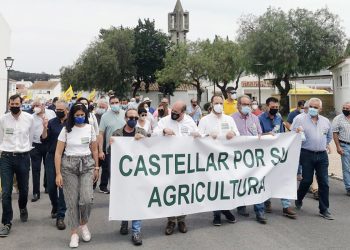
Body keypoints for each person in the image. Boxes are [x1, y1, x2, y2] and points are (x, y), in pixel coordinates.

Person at [55, 103, 99, 248]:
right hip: (69, 166)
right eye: (77, 115)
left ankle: (83, 223)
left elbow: (94, 150)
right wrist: (58, 173)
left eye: (82, 115)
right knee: (72, 201)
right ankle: (74, 233)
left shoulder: (90, 128)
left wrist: (97, 167)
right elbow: (58, 153)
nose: (80, 117)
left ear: (85, 115)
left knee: (86, 199)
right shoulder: (66, 130)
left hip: (87, 164)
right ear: (72, 116)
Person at [153, 100, 199, 235]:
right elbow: (154, 133)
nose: (173, 113)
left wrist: (197, 135)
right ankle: (171, 220)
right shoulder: (165, 121)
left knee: (183, 192)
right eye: (172, 111)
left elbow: (198, 136)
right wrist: (163, 131)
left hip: (185, 164)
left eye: (176, 112)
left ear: (183, 112)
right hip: (169, 163)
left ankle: (182, 219)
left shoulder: (189, 121)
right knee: (170, 192)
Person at [198, 94, 240, 226]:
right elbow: (198, 137)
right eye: (216, 103)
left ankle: (226, 209)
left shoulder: (229, 119)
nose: (219, 105)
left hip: (226, 159)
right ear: (211, 104)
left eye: (221, 103)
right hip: (211, 159)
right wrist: (208, 135)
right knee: (215, 186)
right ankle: (217, 214)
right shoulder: (204, 120)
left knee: (226, 185)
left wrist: (233, 133)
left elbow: (237, 134)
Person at [292, 98, 333, 220]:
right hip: (306, 153)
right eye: (311, 106)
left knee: (324, 182)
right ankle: (299, 198)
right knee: (307, 180)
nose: (313, 109)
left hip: (322, 155)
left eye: (316, 107)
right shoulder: (300, 119)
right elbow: (292, 134)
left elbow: (329, 137)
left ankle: (324, 209)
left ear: (320, 109)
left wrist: (321, 144)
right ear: (307, 107)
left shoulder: (326, 121)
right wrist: (297, 131)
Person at [112, 108, 147, 246]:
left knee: (137, 200)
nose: (133, 120)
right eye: (130, 118)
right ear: (125, 118)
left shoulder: (142, 132)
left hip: (138, 173)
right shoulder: (117, 133)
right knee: (123, 198)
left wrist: (143, 141)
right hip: (122, 175)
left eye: (135, 118)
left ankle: (136, 231)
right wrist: (111, 145)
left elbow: (152, 150)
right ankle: (124, 221)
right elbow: (111, 153)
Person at [0, 94, 34, 237]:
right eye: (11, 104)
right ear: (9, 104)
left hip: (23, 157)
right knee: (6, 192)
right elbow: (1, 138)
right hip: (6, 157)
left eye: (16, 104)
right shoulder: (3, 119)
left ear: (21, 103)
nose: (14, 106)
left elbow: (31, 138)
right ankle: (6, 222)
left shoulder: (29, 118)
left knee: (24, 188)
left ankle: (22, 206)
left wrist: (24, 150)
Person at [258, 97, 297, 219]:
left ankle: (286, 206)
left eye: (276, 107)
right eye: (272, 107)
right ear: (266, 106)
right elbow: (257, 136)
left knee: (282, 178)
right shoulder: (259, 119)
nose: (275, 109)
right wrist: (266, 135)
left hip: (277, 153)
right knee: (266, 178)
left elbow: (282, 134)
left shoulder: (279, 118)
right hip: (264, 154)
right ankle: (266, 201)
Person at [232, 95, 266, 224]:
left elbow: (259, 133)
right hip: (238, 157)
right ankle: (241, 205)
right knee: (241, 181)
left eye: (249, 104)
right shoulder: (232, 119)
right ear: (238, 105)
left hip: (253, 156)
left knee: (257, 182)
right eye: (244, 104)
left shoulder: (255, 118)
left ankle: (260, 210)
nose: (247, 107)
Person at [41, 100, 68, 230]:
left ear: (67, 110)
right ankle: (55, 205)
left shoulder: (71, 124)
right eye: (57, 109)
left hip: (66, 158)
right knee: (51, 186)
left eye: (61, 109)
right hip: (51, 157)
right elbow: (44, 138)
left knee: (62, 188)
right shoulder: (52, 122)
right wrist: (45, 127)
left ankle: (60, 216)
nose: (58, 111)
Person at [98, 96, 126, 194]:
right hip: (110, 149)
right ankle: (114, 193)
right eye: (112, 103)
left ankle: (123, 191)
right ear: (110, 104)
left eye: (116, 102)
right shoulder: (105, 116)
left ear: (120, 102)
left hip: (125, 149)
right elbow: (100, 134)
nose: (115, 104)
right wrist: (101, 150)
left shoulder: (125, 114)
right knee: (111, 171)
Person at [30, 100, 52, 202]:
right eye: (33, 106)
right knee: (35, 169)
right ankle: (35, 192)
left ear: (43, 105)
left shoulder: (51, 114)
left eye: (37, 105)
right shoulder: (31, 117)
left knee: (48, 166)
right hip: (35, 145)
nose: (35, 107)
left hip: (47, 144)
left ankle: (47, 185)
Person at [332, 101, 350, 196]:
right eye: (344, 108)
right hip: (345, 145)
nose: (345, 110)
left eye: (347, 109)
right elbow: (335, 133)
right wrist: (338, 147)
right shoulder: (338, 119)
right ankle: (349, 187)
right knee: (346, 168)